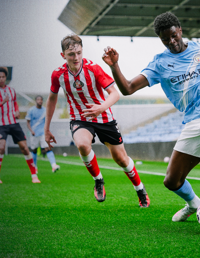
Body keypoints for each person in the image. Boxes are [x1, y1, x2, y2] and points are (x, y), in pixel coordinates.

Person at [102, 12, 200, 238]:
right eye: (165, 39)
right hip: (193, 120)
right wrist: (115, 66)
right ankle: (195, 204)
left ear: (180, 30)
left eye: (173, 36)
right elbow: (128, 88)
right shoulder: (159, 63)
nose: (171, 42)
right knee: (172, 180)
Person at [44, 34, 150, 208]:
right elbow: (52, 99)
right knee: (83, 145)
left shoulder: (93, 69)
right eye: (71, 54)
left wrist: (100, 108)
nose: (76, 57)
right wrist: (46, 128)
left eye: (78, 52)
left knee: (121, 159)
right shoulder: (58, 75)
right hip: (80, 119)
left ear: (82, 51)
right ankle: (98, 180)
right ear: (63, 55)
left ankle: (140, 189)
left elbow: (115, 94)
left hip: (104, 118)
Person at [0, 66, 40, 184]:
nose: (1, 79)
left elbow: (14, 103)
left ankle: (34, 176)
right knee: (1, 147)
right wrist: (2, 102)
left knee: (25, 148)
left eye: (3, 77)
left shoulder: (11, 91)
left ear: (6, 77)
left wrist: (17, 111)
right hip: (1, 124)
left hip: (14, 123)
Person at [26, 95, 60, 173]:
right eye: (38, 99)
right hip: (34, 133)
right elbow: (28, 122)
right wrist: (31, 131)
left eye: (41, 100)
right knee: (34, 150)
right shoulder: (31, 110)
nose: (40, 101)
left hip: (43, 133)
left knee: (47, 148)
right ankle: (34, 167)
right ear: (36, 101)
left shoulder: (45, 110)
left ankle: (54, 165)